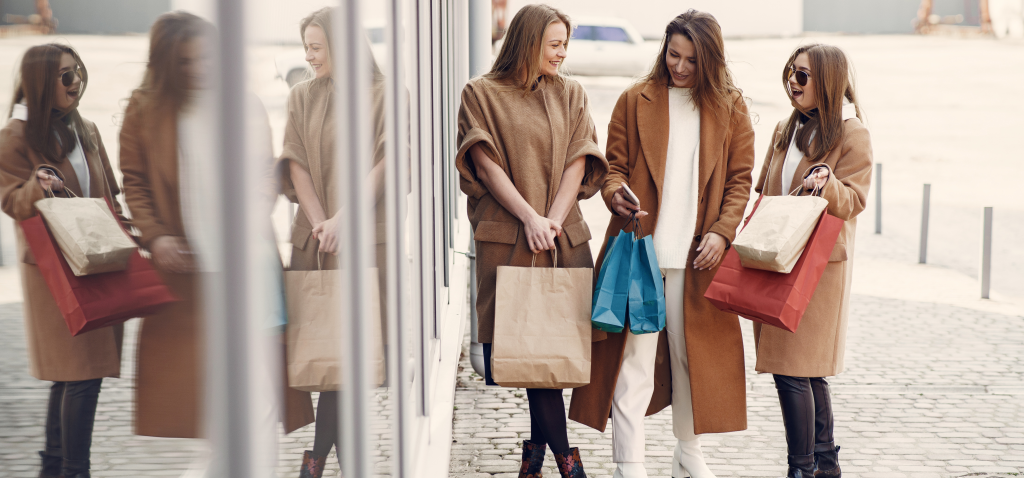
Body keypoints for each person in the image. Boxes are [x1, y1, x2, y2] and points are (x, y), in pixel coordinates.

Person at [568, 10, 755, 478]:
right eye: (673, 54)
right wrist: (615, 195)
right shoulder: (636, 100)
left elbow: (739, 182)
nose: (680, 66)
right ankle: (629, 464)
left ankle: (687, 452)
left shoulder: (731, 107)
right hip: (639, 252)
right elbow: (612, 168)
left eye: (691, 59)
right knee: (635, 363)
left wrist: (721, 231)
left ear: (710, 60)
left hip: (697, 259)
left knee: (692, 361)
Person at [118, 11, 314, 451]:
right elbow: (135, 180)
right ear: (167, 65)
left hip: (249, 263)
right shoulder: (145, 108)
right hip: (187, 271)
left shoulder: (242, 103)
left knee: (263, 382)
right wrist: (156, 237)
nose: (200, 68)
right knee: (204, 393)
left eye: (206, 57)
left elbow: (268, 171)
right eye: (186, 62)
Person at [455, 4, 608, 478]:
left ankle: (534, 461)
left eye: (566, 44)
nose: (563, 54)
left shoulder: (572, 93)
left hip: (562, 241)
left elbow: (579, 161)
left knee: (551, 355)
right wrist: (529, 218)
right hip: (510, 241)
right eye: (555, 45)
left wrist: (553, 221)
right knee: (529, 351)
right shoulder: (480, 93)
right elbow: (483, 163)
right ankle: (569, 464)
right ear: (527, 42)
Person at [0, 43, 126, 478]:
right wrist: (37, 183)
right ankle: (76, 470)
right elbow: (11, 202)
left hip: (97, 260)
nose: (76, 83)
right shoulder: (14, 137)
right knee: (82, 372)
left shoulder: (85, 127)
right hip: (54, 269)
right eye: (65, 76)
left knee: (71, 374)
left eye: (78, 73)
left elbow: (108, 193)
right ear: (40, 84)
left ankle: (54, 466)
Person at [277, 7, 388, 478]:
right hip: (316, 244)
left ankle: (318, 461)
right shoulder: (302, 95)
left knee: (350, 360)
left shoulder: (384, 96)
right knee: (329, 358)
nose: (309, 56)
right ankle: (325, 461)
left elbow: (389, 162)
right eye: (306, 47)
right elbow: (295, 161)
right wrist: (323, 223)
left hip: (365, 244)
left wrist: (345, 219)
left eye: (316, 47)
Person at [754, 43, 872, 478]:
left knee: (792, 368)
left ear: (827, 81)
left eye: (802, 76)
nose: (793, 82)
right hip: (776, 256)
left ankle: (800, 468)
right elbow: (765, 189)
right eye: (790, 72)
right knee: (805, 371)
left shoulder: (851, 131)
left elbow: (855, 200)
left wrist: (827, 182)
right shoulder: (787, 126)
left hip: (818, 267)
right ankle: (825, 464)